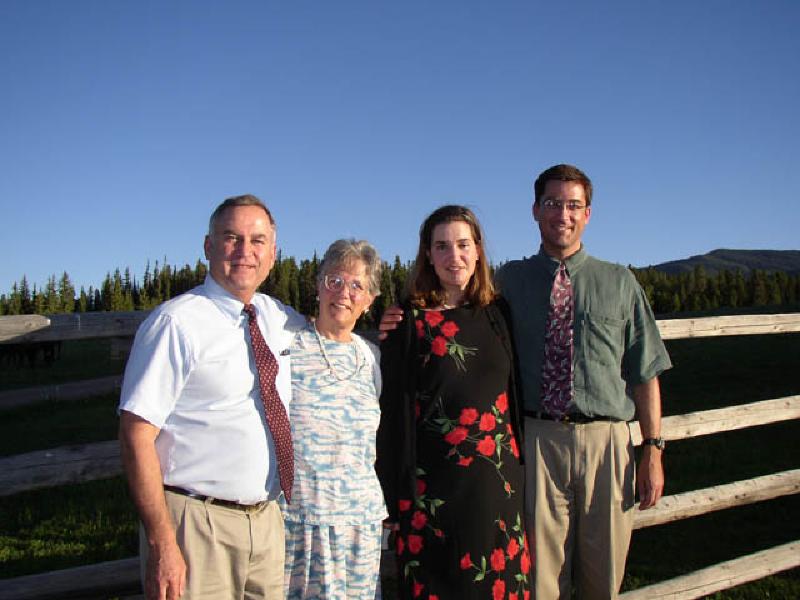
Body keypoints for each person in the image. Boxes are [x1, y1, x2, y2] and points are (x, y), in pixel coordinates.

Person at [494, 164, 672, 599]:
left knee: (603, 579)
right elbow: (456, 316)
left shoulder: (620, 282)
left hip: (607, 446)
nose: (563, 214)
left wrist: (652, 448)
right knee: (539, 581)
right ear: (535, 210)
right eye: (553, 203)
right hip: (536, 442)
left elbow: (645, 372)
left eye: (574, 205)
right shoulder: (506, 282)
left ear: (588, 214)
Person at [119, 194, 304, 600]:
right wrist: (162, 542)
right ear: (208, 246)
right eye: (231, 238)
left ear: (273, 254)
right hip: (195, 525)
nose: (245, 252)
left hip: (267, 520)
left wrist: (397, 323)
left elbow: (336, 322)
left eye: (257, 241)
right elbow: (135, 434)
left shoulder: (279, 318)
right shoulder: (177, 323)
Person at [376, 205, 531, 600]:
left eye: (463, 244)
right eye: (441, 246)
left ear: (478, 251)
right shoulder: (408, 321)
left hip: (498, 486)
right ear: (427, 254)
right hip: (434, 490)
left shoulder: (499, 314)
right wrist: (394, 493)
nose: (454, 256)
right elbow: (393, 414)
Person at [282, 239, 387, 599]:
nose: (344, 293)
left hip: (359, 524)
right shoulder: (287, 347)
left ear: (370, 299)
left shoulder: (371, 358)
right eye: (334, 280)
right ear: (318, 286)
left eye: (357, 285)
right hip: (298, 523)